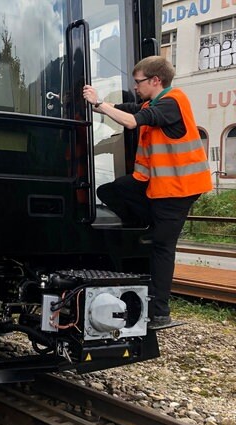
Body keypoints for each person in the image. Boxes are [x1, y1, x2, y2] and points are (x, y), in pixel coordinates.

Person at [82, 55, 212, 330]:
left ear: (156, 80)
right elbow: (127, 107)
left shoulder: (172, 102)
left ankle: (160, 313)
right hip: (158, 186)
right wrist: (98, 106)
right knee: (112, 190)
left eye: (138, 81)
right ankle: (151, 225)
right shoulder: (154, 102)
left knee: (162, 249)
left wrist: (98, 103)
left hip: (179, 190)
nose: (136, 86)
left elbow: (131, 121)